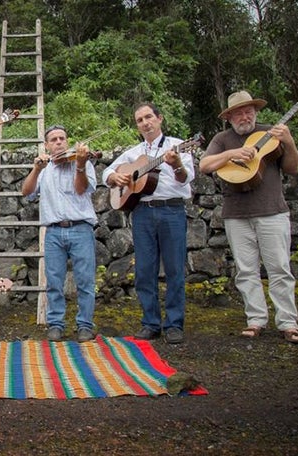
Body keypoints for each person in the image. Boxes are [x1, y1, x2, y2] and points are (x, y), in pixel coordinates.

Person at [199, 91, 298, 344]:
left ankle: (288, 323)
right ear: (230, 117)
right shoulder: (223, 139)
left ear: (255, 113)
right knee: (246, 270)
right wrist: (229, 155)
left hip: (272, 211)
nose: (244, 116)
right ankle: (256, 320)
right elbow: (204, 165)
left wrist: (289, 142)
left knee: (279, 268)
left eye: (248, 112)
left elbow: (292, 168)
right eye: (238, 113)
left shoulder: (272, 134)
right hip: (236, 213)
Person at [102, 103, 195, 344]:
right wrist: (114, 177)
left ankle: (174, 325)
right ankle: (150, 323)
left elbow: (186, 179)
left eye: (149, 117)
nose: (145, 122)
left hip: (171, 210)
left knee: (175, 269)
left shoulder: (178, 145)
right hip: (142, 212)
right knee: (144, 270)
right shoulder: (134, 153)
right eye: (140, 120)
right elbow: (108, 173)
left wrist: (176, 164)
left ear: (159, 118)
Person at [20, 125, 98, 342]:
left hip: (81, 227)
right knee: (54, 281)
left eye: (62, 138)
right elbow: (26, 192)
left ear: (67, 141)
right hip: (53, 231)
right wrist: (36, 169)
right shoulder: (44, 170)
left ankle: (84, 325)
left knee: (85, 280)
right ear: (46, 145)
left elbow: (82, 188)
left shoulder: (82, 162)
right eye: (53, 140)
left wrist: (80, 165)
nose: (58, 142)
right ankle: (56, 324)